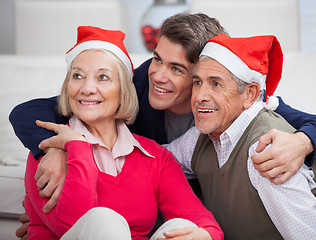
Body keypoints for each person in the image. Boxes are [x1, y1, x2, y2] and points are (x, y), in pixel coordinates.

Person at [11, 13, 316, 239]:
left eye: (178, 70)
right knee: (104, 220)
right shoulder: (138, 81)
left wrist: (302, 142)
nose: (159, 75)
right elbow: (36, 109)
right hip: (96, 223)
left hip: (190, 207)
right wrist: (52, 149)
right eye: (157, 58)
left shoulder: (247, 113)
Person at [23, 25, 223, 240]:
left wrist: (206, 235)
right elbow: (70, 225)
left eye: (102, 77)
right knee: (103, 220)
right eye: (77, 76)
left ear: (124, 90)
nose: (87, 88)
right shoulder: (48, 152)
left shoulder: (156, 157)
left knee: (182, 226)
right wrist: (77, 147)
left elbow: (202, 220)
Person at [166, 33, 316, 239]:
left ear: (250, 94)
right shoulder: (201, 136)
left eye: (216, 84)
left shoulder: (268, 152)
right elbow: (157, 162)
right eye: (197, 82)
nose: (200, 97)